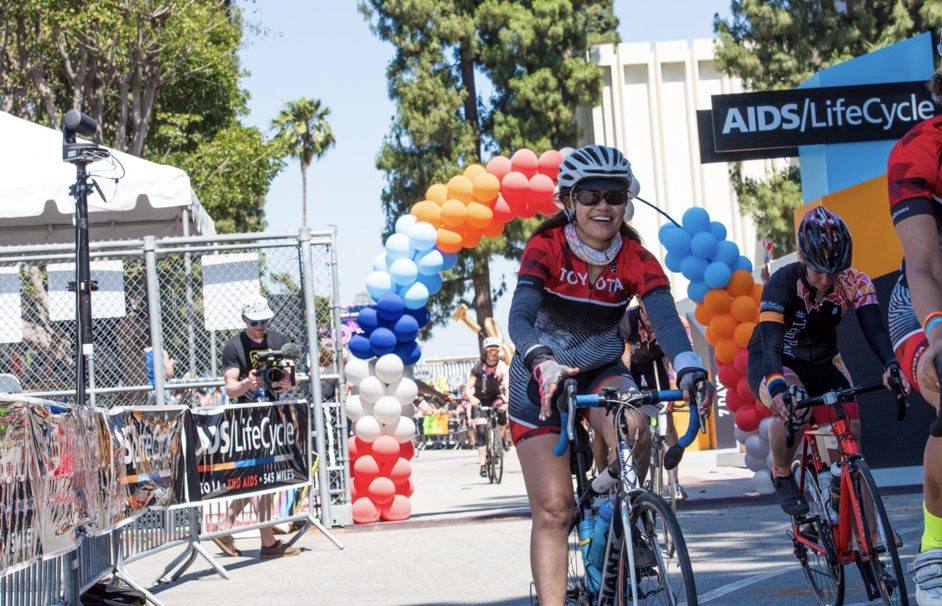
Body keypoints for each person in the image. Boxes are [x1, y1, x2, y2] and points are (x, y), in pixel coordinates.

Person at [507, 144, 714, 606]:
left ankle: (614, 513)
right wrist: (542, 359)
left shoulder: (637, 257)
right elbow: (519, 318)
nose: (603, 205)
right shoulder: (547, 246)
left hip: (600, 366)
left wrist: (689, 368)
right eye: (590, 195)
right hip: (539, 373)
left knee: (636, 423)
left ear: (627, 201)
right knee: (555, 510)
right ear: (569, 201)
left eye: (614, 195)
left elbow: (663, 318)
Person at [745, 207, 908, 519]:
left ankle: (870, 547)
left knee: (851, 438)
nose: (826, 279)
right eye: (819, 270)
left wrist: (891, 363)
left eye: (835, 271)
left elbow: (875, 330)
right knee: (797, 405)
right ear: (803, 259)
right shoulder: (780, 284)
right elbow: (771, 348)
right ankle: (782, 474)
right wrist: (778, 388)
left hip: (824, 361)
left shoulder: (854, 282)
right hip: (776, 359)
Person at [886, 72, 942, 606]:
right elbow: (923, 264)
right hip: (925, 303)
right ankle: (935, 545)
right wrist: (939, 334)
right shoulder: (917, 150)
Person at [215, 296, 300, 559]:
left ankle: (223, 528)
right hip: (245, 418)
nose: (260, 326)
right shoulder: (233, 346)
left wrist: (287, 380)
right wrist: (245, 384)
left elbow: (293, 380)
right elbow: (230, 389)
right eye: (255, 322)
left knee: (254, 477)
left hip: (271, 415)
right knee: (259, 478)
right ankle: (268, 542)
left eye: (264, 320)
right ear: (244, 320)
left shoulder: (278, 339)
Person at [618, 301, 687, 501]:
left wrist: (683, 385)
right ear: (640, 304)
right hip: (631, 365)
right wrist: (627, 389)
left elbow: (676, 357)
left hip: (654, 365)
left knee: (667, 415)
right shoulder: (628, 319)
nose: (649, 318)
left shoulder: (670, 319)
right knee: (634, 412)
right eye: (646, 312)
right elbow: (625, 359)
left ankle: (675, 482)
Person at [464, 336, 511, 477]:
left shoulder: (503, 367)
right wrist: (471, 397)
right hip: (479, 401)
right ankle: (483, 464)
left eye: (495, 350)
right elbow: (468, 387)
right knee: (482, 431)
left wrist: (507, 402)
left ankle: (500, 438)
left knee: (502, 412)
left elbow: (508, 385)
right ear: (485, 351)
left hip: (495, 398)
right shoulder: (478, 367)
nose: (493, 353)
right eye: (490, 350)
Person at [143, 336, 174, 405]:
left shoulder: (141, 353)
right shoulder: (161, 351)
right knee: (166, 413)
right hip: (162, 387)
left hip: (146, 388)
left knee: (146, 414)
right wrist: (171, 362)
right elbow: (169, 373)